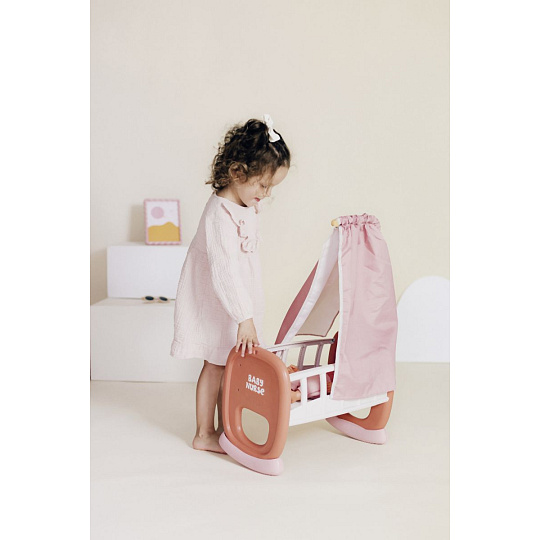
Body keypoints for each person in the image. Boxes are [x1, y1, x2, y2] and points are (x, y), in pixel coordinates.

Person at [170, 114, 291, 453]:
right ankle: (204, 433)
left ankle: (227, 429)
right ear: (238, 173)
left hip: (237, 303)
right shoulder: (219, 215)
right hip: (218, 302)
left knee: (232, 366)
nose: (266, 194)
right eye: (263, 186)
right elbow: (224, 271)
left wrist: (246, 312)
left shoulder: (244, 204)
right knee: (215, 364)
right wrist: (244, 316)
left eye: (271, 187)